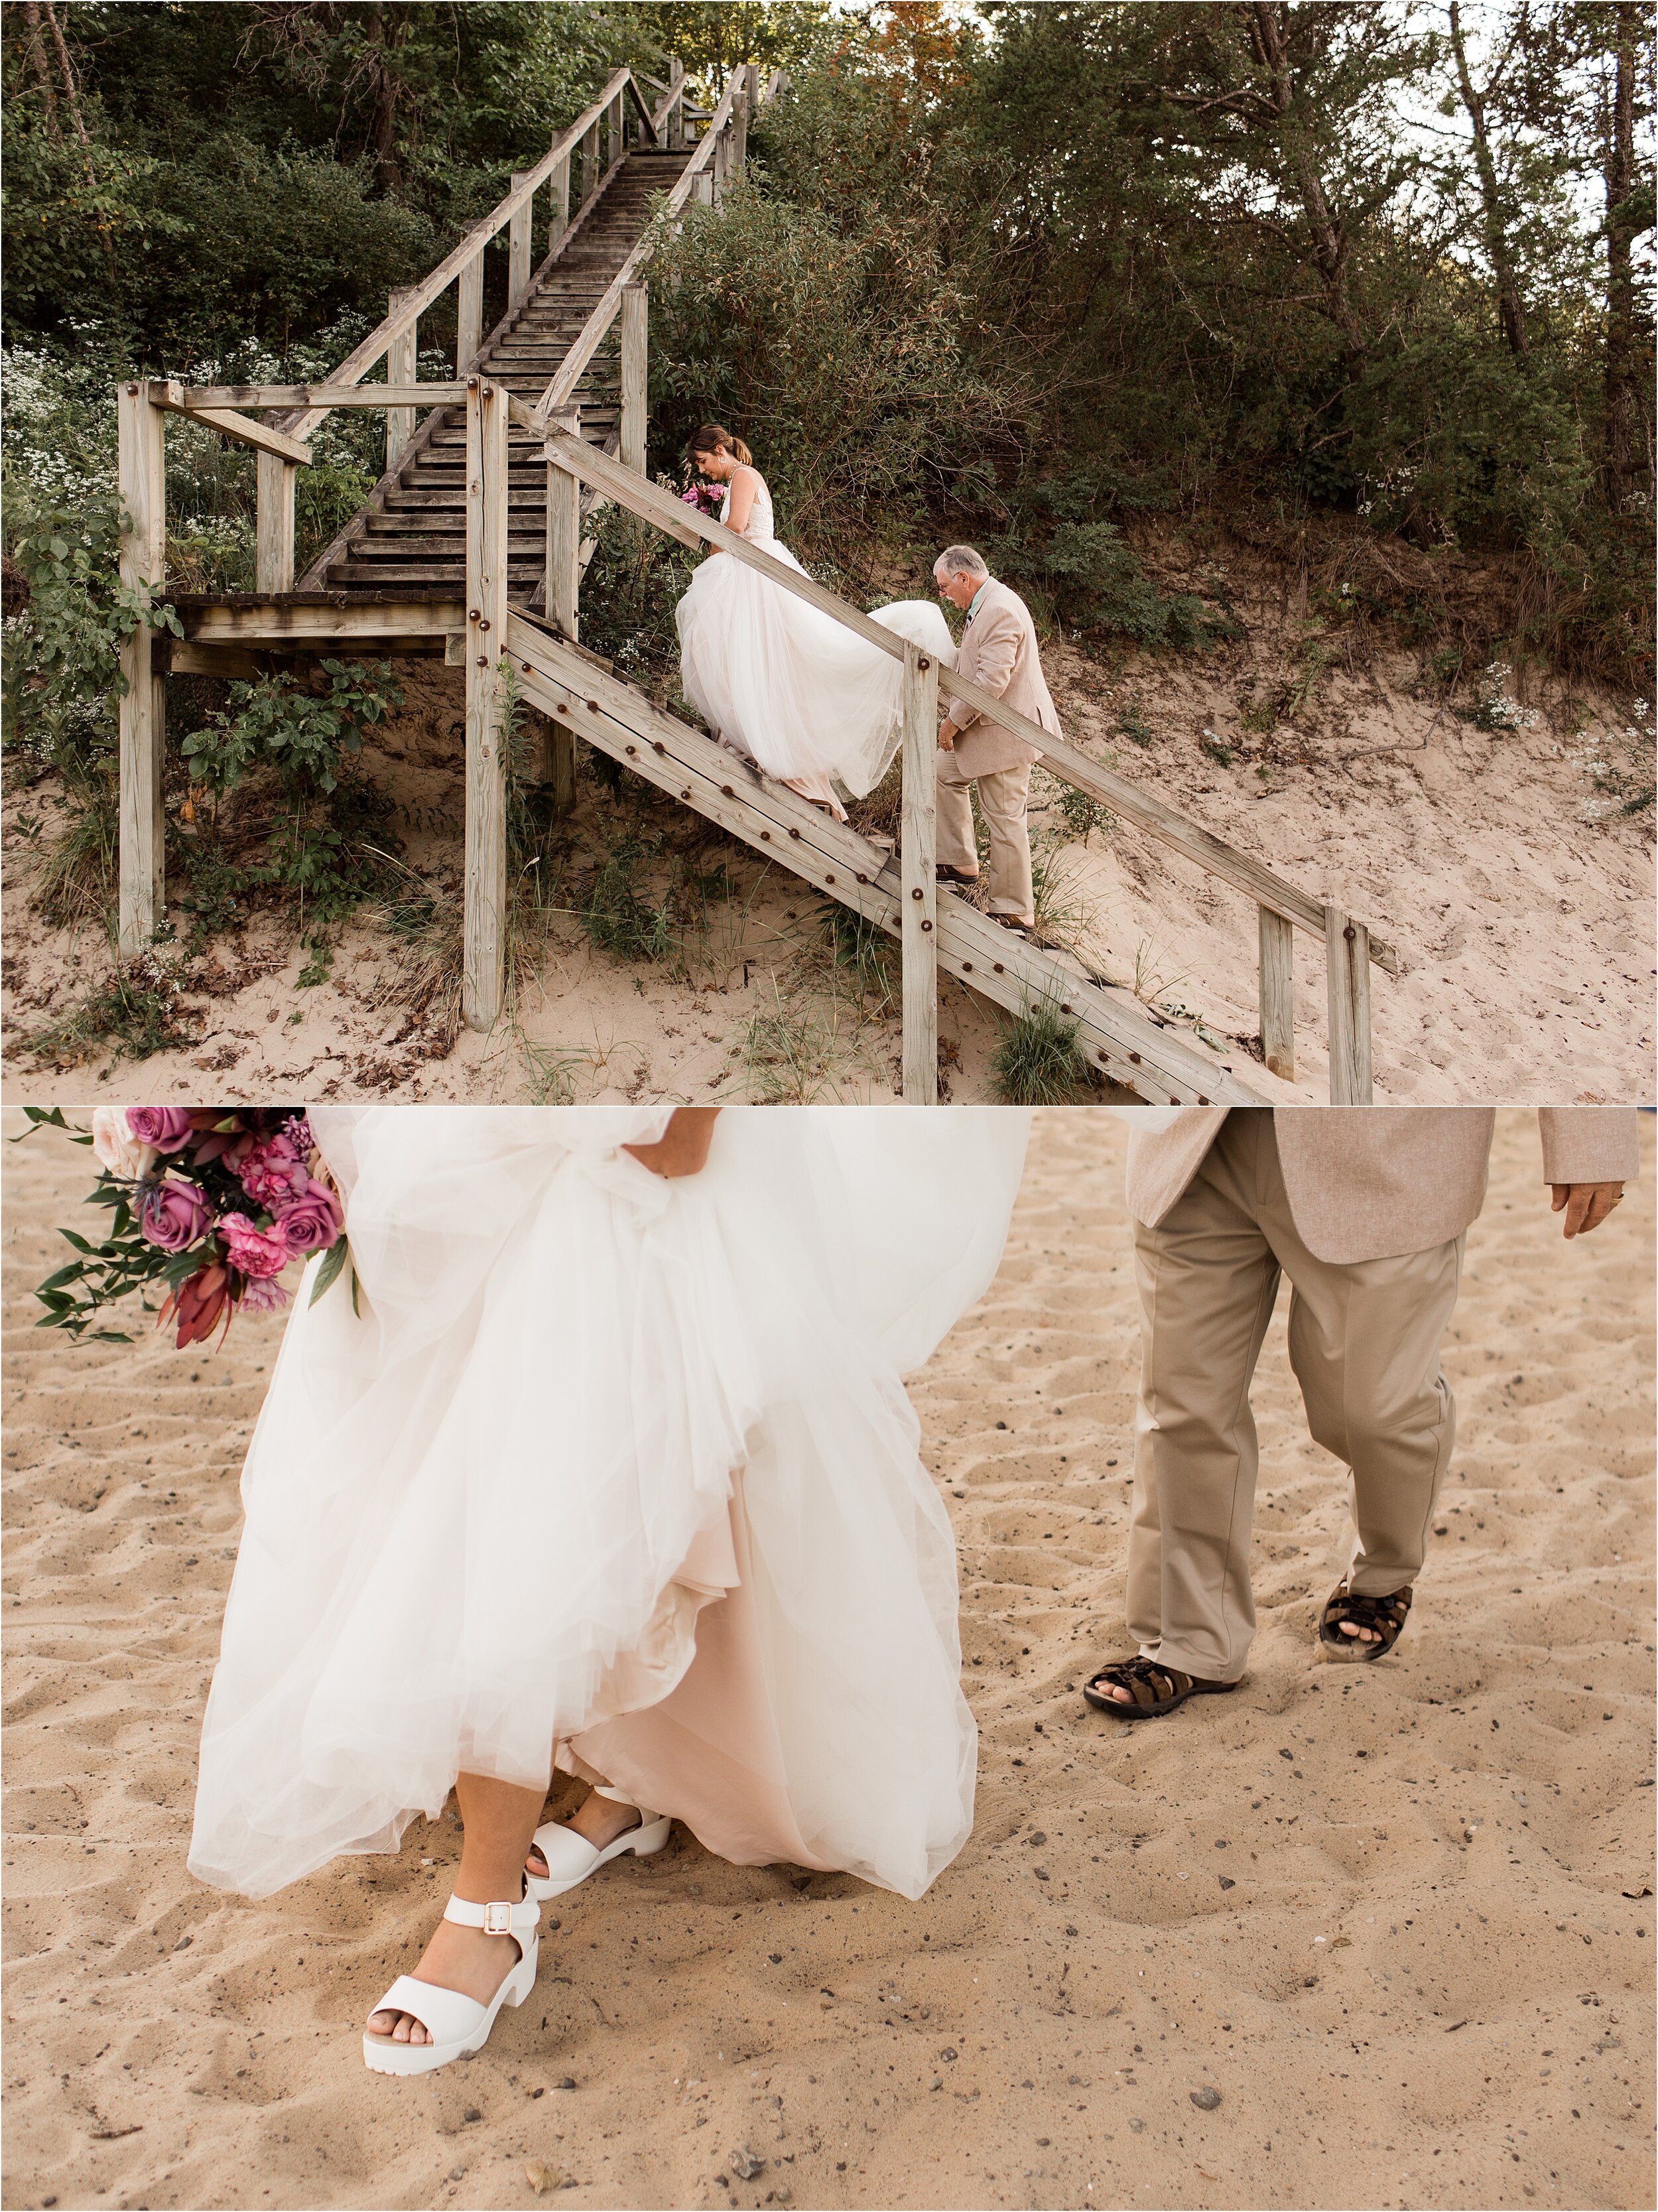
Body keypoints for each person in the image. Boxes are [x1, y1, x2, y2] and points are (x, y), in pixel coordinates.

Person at [186, 1104, 1031, 2075]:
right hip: (478, 1180)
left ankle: (490, 1911)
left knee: (518, 1523)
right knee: (484, 1509)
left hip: (626, 1197)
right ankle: (636, 1776)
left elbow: (674, 1141)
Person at [1083, 1106, 1639, 1719]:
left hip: (1390, 1149)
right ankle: (1186, 1639)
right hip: (1193, 1136)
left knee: (1376, 1407)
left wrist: (1593, 1133)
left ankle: (1384, 1571)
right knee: (1180, 1404)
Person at [674, 426, 954, 819]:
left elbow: (736, 528)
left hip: (752, 572)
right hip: (754, 570)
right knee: (758, 661)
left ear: (720, 451)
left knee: (751, 658)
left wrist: (706, 545)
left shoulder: (741, 476)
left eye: (703, 462)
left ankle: (769, 745)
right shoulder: (746, 477)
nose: (703, 472)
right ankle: (755, 739)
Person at [932, 547, 1062, 938]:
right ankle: (958, 861)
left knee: (1005, 819)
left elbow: (992, 681)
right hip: (988, 731)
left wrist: (952, 724)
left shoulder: (999, 610)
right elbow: (973, 663)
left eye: (944, 587)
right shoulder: (986, 604)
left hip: (1007, 734)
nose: (944, 595)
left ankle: (1014, 910)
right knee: (942, 773)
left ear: (963, 579)